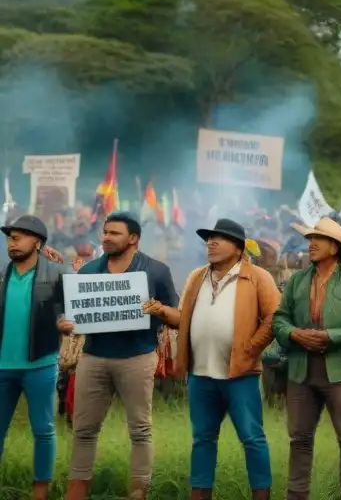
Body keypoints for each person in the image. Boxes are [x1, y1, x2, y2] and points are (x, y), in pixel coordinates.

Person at [142, 218, 280, 500]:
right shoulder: (197, 277)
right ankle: (200, 493)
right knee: (202, 439)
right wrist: (161, 312)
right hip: (201, 374)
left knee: (252, 438)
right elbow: (183, 319)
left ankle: (261, 495)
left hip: (240, 374)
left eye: (220, 239)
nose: (211, 243)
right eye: (209, 239)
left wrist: (252, 347)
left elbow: (275, 317)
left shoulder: (257, 277)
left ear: (239, 248)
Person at [62, 212, 178, 500]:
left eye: (114, 233)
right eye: (105, 232)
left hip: (137, 358)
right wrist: (66, 323)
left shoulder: (156, 270)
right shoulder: (88, 271)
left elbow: (179, 317)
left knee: (140, 429)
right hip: (93, 357)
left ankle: (139, 491)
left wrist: (160, 310)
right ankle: (76, 491)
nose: (106, 237)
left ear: (134, 238)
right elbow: (74, 315)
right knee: (84, 429)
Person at [272, 217, 341, 500]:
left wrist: (331, 336)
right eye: (310, 238)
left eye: (318, 239)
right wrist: (294, 334)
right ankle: (296, 495)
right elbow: (280, 319)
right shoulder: (297, 280)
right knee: (300, 439)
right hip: (301, 371)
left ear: (336, 246)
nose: (311, 244)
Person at [0, 215, 67, 500]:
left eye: (18, 238)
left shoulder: (56, 274)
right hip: (2, 367)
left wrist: (64, 320)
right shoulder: (2, 276)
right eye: (9, 238)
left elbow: (77, 305)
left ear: (37, 243)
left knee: (43, 429)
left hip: (40, 363)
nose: (11, 244)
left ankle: (40, 491)